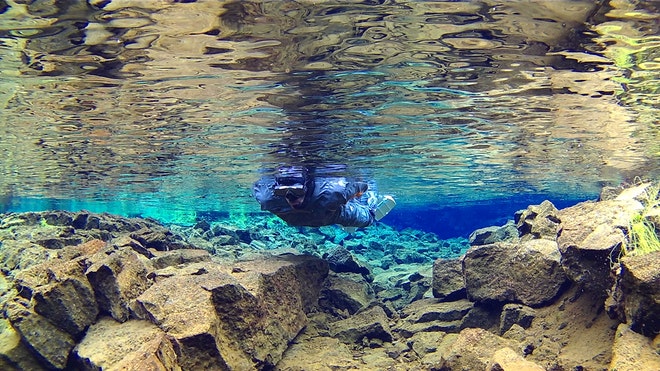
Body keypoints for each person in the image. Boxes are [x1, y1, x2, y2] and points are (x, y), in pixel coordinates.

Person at [253, 166, 395, 228]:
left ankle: (369, 207)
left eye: (296, 191)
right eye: (283, 192)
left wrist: (357, 195)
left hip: (331, 214)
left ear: (307, 187)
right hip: (322, 214)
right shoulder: (268, 198)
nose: (290, 197)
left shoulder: (331, 194)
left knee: (369, 218)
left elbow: (361, 185)